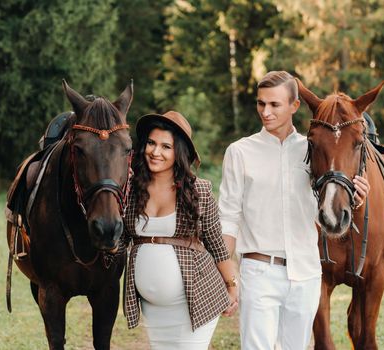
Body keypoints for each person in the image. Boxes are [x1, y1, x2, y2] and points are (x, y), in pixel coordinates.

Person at [218, 71, 370, 349]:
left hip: (306, 273)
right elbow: (228, 217)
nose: (265, 111)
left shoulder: (311, 149)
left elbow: (324, 212)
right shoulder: (240, 152)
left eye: (274, 104)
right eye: (261, 103)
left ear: (294, 106)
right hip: (259, 270)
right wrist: (226, 276)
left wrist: (355, 198)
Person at [123, 111, 239, 349]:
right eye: (151, 143)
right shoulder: (131, 189)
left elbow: (217, 246)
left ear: (179, 152)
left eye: (166, 146)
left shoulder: (199, 191)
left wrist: (233, 286)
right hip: (153, 309)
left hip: (195, 301)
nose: (156, 152)